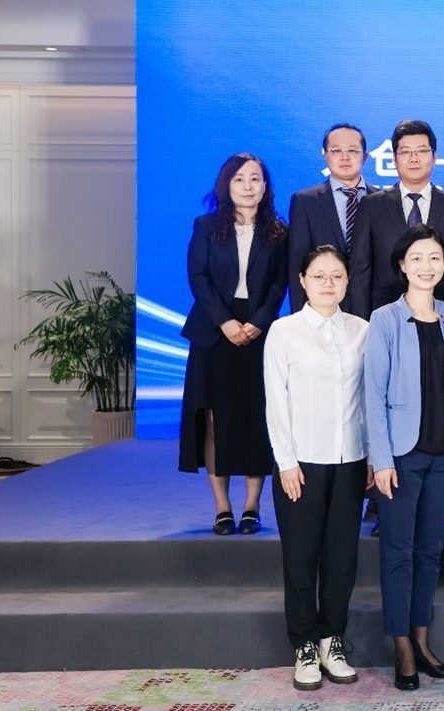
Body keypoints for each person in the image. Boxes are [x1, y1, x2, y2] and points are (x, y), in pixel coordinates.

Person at [364, 224, 444, 690]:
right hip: (401, 456)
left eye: (435, 258)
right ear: (402, 265)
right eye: (418, 258)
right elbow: (373, 394)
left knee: (430, 551)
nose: (427, 266)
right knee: (398, 552)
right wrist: (381, 459)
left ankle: (423, 641)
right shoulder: (385, 318)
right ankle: (401, 646)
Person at [263, 245, 369, 690]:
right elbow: (276, 400)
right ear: (303, 281)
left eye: (337, 276)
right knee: (301, 557)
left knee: (342, 558)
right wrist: (285, 461)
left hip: (351, 461)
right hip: (301, 464)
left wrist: (372, 456)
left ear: (347, 282)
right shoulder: (284, 331)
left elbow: (369, 399)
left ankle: (332, 639)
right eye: (319, 275)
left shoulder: (363, 330)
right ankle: (304, 644)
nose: (328, 283)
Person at [179, 152, 288, 536]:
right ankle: (222, 507)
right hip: (214, 331)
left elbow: (280, 284)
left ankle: (252, 505)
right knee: (215, 419)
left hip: (259, 332)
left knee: (257, 417)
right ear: (226, 185)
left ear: (265, 186)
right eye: (239, 179)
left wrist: (258, 322)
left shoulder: (279, 231)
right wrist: (224, 321)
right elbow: (198, 277)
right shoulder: (207, 226)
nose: (247, 186)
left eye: (255, 178)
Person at [350, 120, 444, 318]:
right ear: (394, 159)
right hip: (384, 315)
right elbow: (360, 270)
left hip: (438, 315)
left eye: (422, 151)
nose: (414, 159)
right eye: (405, 152)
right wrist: (362, 323)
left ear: (434, 157)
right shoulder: (371, 206)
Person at [288, 123, 373, 313]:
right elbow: (297, 265)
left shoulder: (382, 201)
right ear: (325, 156)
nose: (345, 157)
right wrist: (300, 318)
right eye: (336, 150)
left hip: (374, 308)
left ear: (365, 157)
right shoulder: (305, 202)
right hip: (323, 308)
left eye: (353, 150)